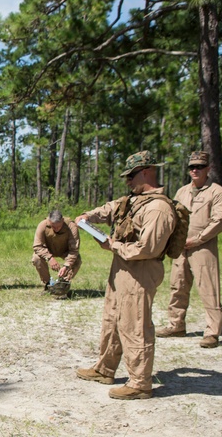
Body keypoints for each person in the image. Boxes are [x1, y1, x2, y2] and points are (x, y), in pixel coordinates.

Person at [76, 150, 177, 401]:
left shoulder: (158, 208)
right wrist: (89, 217)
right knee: (112, 319)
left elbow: (148, 248)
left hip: (141, 270)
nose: (128, 181)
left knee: (135, 324)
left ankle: (140, 382)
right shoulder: (134, 200)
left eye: (131, 175)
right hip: (122, 267)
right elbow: (112, 209)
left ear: (147, 172)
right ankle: (105, 368)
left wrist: (113, 245)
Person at [157, 151, 222, 348]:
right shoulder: (182, 192)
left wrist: (198, 239)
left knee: (208, 288)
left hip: (203, 246)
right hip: (181, 246)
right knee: (177, 285)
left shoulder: (217, 192)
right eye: (192, 167)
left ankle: (212, 332)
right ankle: (176, 324)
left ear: (208, 168)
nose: (195, 170)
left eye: (199, 166)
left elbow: (220, 220)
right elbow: (173, 215)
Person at [32, 209, 82, 294]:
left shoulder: (71, 226)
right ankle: (48, 285)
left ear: (62, 220)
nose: (56, 229)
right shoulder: (42, 225)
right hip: (48, 250)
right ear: (49, 221)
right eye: (53, 226)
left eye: (58, 226)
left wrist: (66, 266)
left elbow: (74, 250)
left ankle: (63, 284)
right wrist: (50, 258)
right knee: (36, 258)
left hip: (65, 250)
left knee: (77, 260)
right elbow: (37, 246)